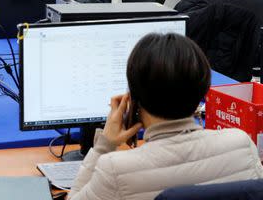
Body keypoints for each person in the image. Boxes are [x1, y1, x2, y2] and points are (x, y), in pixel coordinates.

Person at [69, 33, 263, 200]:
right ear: (202, 93)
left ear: (134, 100)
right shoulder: (241, 145)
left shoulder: (116, 169)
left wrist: (105, 145)